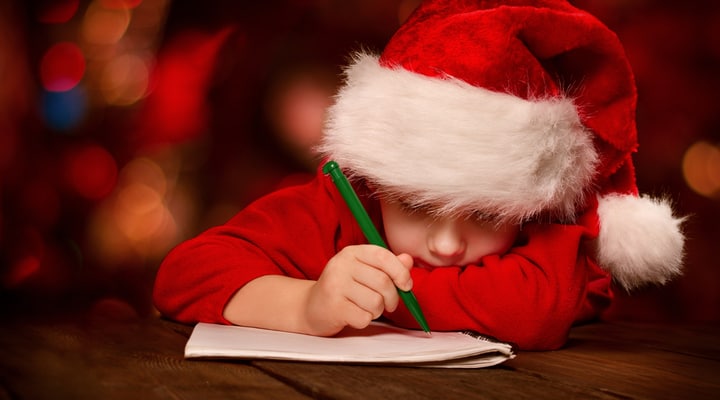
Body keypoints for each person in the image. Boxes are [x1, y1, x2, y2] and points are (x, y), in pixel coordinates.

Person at [153, 0, 686, 350]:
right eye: (417, 204)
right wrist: (306, 305)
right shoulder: (342, 199)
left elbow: (532, 314)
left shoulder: (550, 220)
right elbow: (183, 275)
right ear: (376, 181)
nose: (448, 243)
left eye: (482, 213)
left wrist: (380, 300)